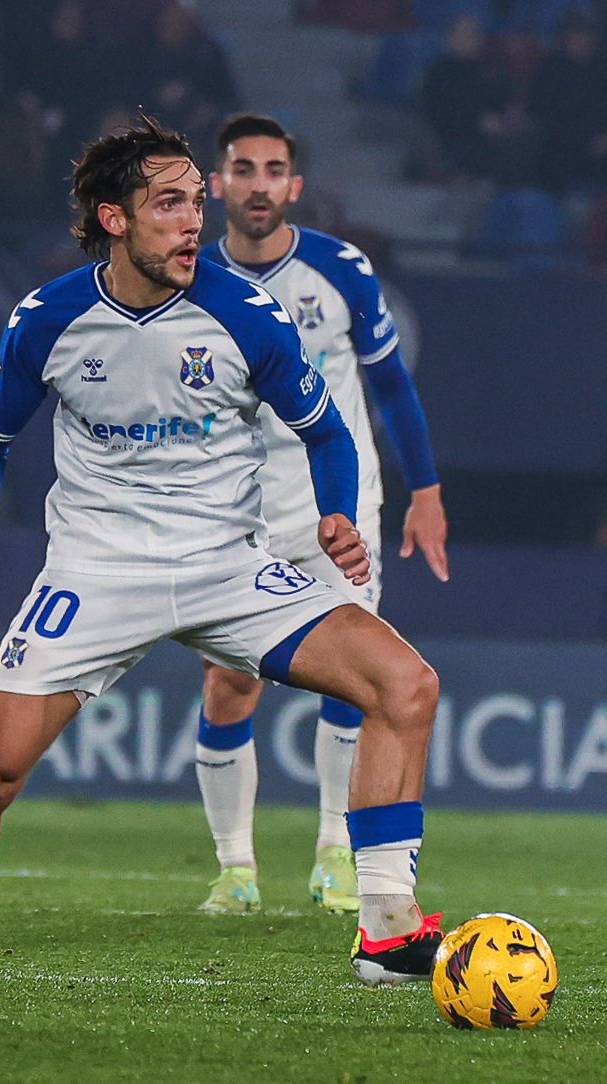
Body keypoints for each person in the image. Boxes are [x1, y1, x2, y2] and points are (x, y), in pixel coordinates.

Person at [0, 116, 442, 1014]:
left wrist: (332, 513)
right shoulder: (48, 320)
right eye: (169, 203)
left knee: (406, 684)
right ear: (112, 217)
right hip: (96, 574)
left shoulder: (246, 314)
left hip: (228, 566)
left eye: (195, 202)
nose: (191, 222)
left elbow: (326, 428)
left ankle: (387, 925)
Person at [192, 114, 447, 916]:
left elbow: (392, 386)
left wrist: (427, 491)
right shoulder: (191, 282)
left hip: (340, 504)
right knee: (229, 684)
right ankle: (235, 869)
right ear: (217, 184)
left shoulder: (340, 269)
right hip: (240, 511)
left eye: (273, 170)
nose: (258, 183)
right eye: (243, 168)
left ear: (293, 187)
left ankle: (335, 852)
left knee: (355, 683)